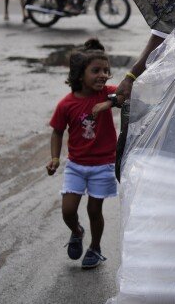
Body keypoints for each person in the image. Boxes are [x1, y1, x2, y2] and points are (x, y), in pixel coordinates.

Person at [46, 38, 119, 269]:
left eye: (106, 70)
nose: (103, 75)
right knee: (68, 210)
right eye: (96, 70)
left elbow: (130, 93)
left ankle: (95, 248)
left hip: (103, 165)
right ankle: (77, 231)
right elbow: (57, 132)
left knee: (94, 210)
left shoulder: (108, 94)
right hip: (76, 165)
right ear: (80, 75)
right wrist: (55, 158)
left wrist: (109, 104)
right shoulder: (66, 105)